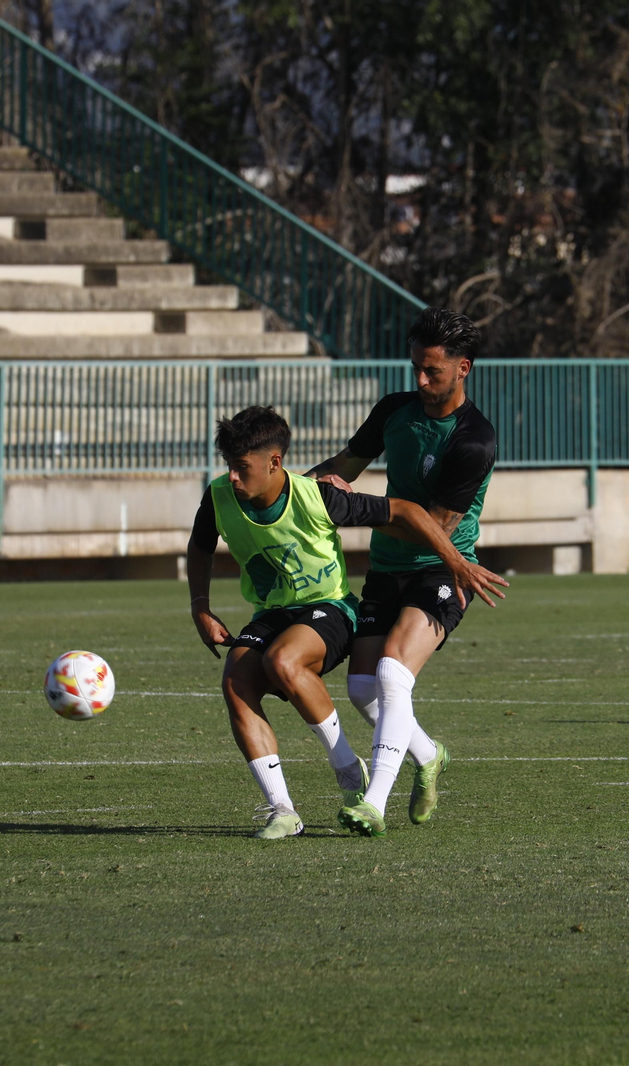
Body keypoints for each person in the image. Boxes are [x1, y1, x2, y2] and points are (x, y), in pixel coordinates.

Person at [187, 405, 505, 840]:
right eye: (230, 467)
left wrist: (458, 562)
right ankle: (282, 810)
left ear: (274, 462)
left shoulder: (317, 495)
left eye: (242, 468)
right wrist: (200, 607)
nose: (234, 478)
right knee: (236, 681)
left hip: (331, 609)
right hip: (274, 611)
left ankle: (350, 775)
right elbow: (200, 545)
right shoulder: (220, 495)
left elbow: (407, 512)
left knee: (286, 661)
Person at [307, 307, 501, 838]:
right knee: (364, 691)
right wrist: (291, 495)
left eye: (431, 370)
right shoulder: (395, 409)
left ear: (464, 368)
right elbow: (344, 465)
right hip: (386, 570)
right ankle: (429, 753)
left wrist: (355, 506)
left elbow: (431, 527)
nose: (419, 379)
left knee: (394, 673)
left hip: (443, 569)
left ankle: (374, 804)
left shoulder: (473, 439)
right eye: (415, 365)